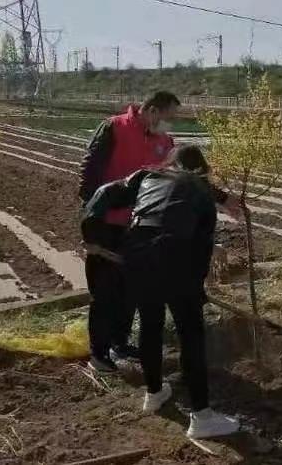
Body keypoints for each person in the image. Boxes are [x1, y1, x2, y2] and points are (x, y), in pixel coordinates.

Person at [81, 144, 243, 439]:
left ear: (170, 164)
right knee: (191, 334)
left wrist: (91, 234)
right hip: (176, 257)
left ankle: (154, 393)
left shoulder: (147, 177)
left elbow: (105, 191)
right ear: (203, 170)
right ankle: (202, 417)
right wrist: (196, 291)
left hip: (137, 254)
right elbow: (200, 247)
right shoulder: (201, 193)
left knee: (150, 325)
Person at [79, 91, 179, 372]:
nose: (170, 124)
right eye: (168, 117)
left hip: (139, 226)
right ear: (153, 111)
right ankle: (99, 353)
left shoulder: (165, 141)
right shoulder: (114, 127)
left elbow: (171, 178)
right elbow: (89, 172)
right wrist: (91, 221)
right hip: (107, 223)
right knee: (104, 291)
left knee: (130, 290)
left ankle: (119, 343)